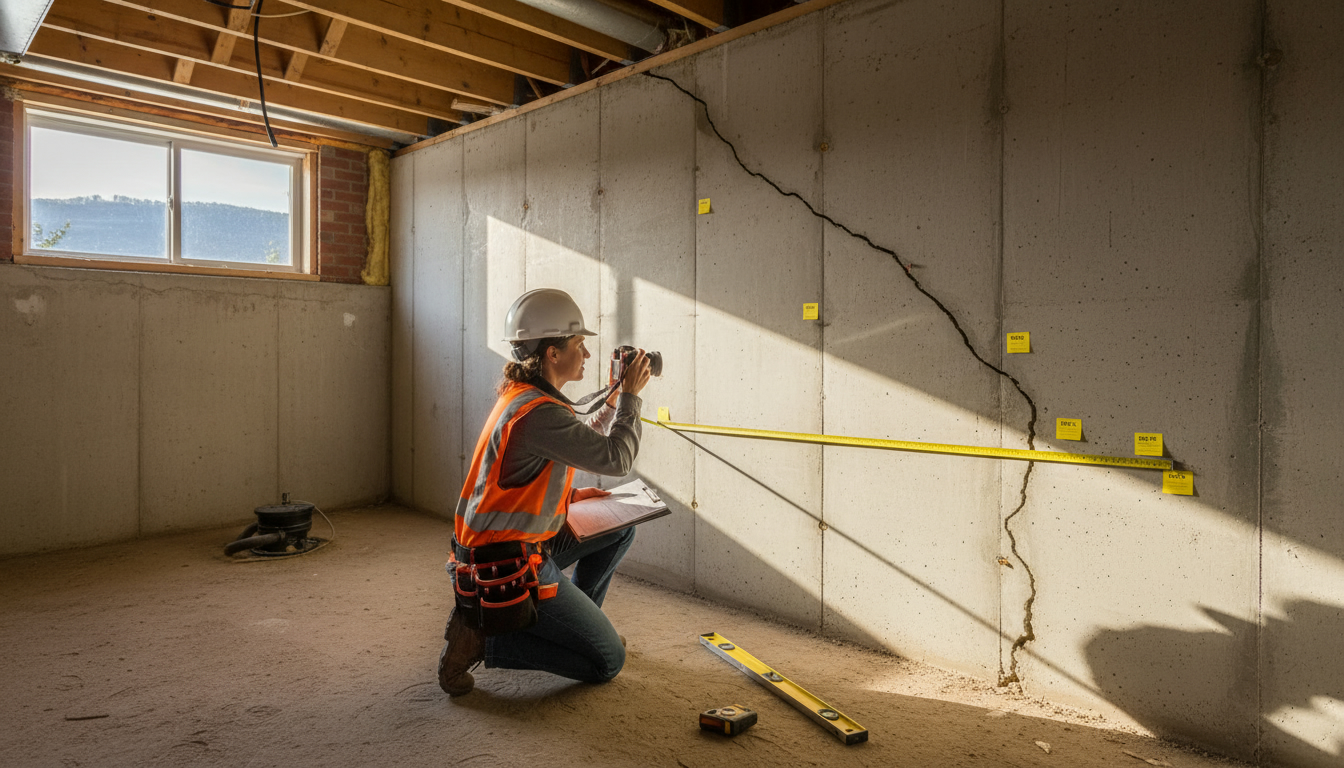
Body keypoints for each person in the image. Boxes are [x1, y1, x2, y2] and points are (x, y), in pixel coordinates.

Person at [438, 288, 653, 696]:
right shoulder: (538, 413)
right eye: (579, 344)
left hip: (511, 544)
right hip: (504, 562)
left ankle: (579, 626)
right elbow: (616, 458)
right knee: (608, 662)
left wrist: (609, 402)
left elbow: (571, 444)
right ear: (553, 354)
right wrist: (629, 399)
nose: (587, 354)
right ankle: (490, 640)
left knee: (621, 528)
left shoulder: (526, 399)